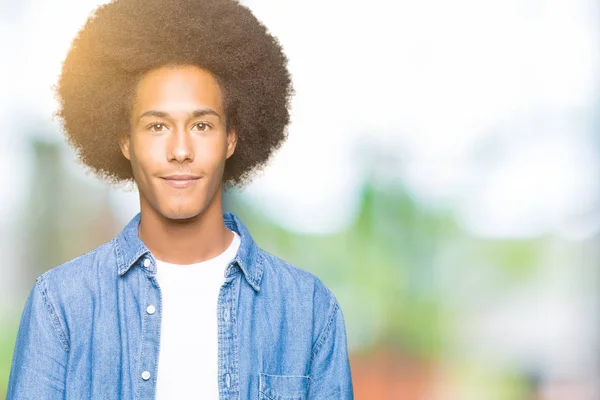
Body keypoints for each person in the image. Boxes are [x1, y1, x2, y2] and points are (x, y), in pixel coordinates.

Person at [6, 0, 354, 398]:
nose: (180, 150)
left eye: (202, 125)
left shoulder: (306, 310)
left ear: (231, 139)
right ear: (125, 141)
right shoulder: (62, 304)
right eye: (157, 126)